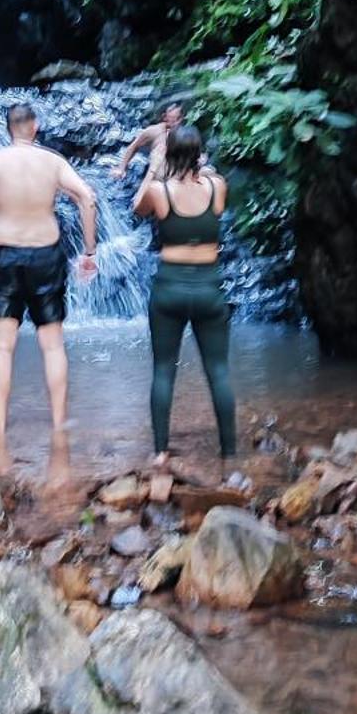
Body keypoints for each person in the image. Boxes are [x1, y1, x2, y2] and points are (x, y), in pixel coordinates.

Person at [0, 103, 97, 441]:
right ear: (34, 126)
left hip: (5, 258)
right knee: (52, 346)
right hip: (46, 257)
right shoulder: (52, 161)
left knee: (2, 348)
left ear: (8, 129)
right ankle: (60, 426)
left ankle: (1, 431)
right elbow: (88, 198)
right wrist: (89, 252)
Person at [132, 123, 236, 463]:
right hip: (209, 286)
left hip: (169, 287)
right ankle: (229, 453)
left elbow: (138, 208)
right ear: (199, 153)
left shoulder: (159, 192)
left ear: (169, 153)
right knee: (218, 370)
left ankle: (161, 452)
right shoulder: (216, 186)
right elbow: (215, 206)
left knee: (163, 369)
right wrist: (200, 166)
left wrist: (155, 167)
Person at [112, 99, 184, 179]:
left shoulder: (186, 136)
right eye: (173, 120)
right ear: (164, 117)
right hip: (154, 177)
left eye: (178, 119)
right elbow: (133, 147)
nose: (176, 123)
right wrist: (121, 168)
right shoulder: (154, 131)